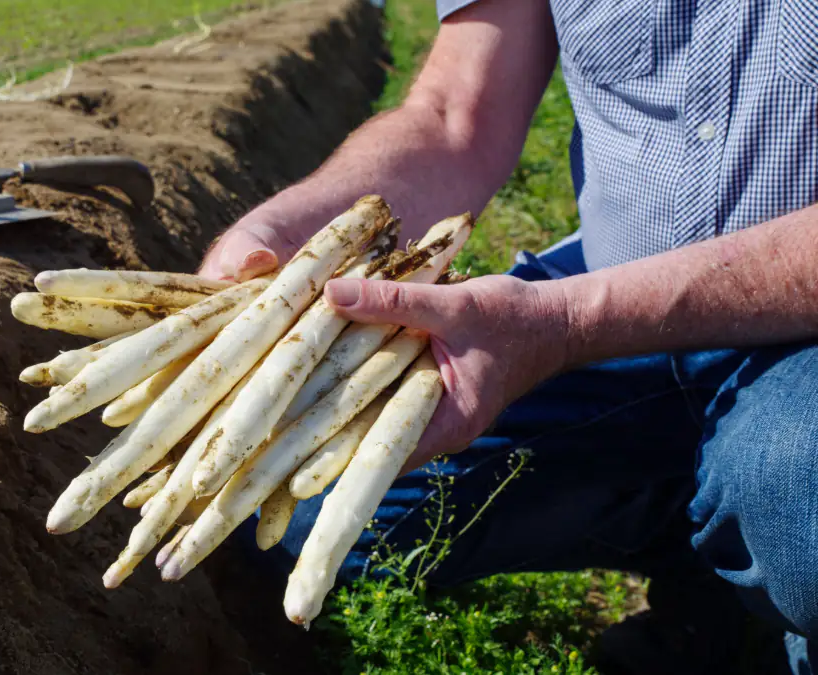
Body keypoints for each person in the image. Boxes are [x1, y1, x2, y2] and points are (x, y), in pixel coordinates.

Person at [197, 1, 818, 673]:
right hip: (608, 303)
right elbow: (454, 114)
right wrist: (301, 230)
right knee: (290, 512)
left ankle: (763, 557)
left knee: (798, 498)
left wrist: (564, 324)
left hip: (796, 334)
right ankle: (715, 559)